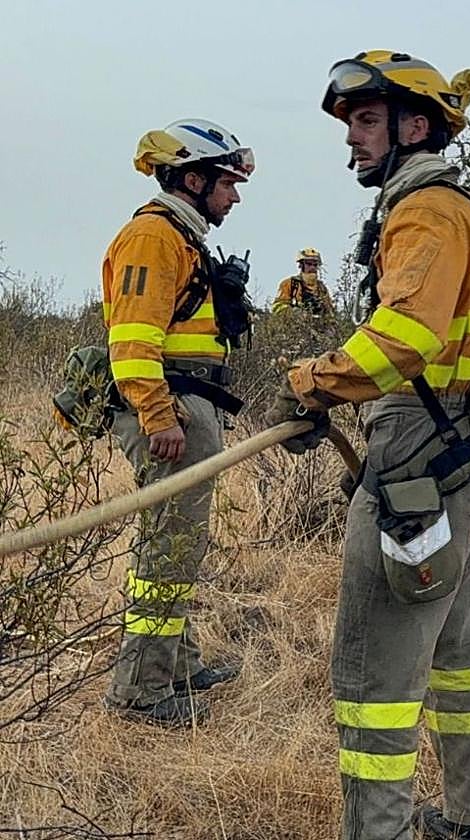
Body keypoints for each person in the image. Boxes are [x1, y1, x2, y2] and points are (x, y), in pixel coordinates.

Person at [265, 50, 470, 839]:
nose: (353, 143)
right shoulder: (463, 215)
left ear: (415, 124)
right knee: (461, 664)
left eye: (366, 122)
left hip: (415, 463)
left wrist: (313, 380)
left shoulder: (426, 213)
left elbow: (403, 338)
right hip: (461, 463)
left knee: (374, 678)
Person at [102, 119, 255, 726]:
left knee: (180, 543)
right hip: (171, 409)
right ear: (192, 179)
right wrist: (159, 415)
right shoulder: (152, 237)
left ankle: (177, 665)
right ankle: (140, 692)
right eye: (227, 183)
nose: (235, 196)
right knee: (168, 547)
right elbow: (133, 338)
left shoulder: (182, 238)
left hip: (189, 404)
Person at [272, 247, 336, 316]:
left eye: (315, 265)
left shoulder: (322, 288)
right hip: (293, 325)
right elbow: (277, 307)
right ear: (301, 265)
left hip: (318, 326)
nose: (312, 267)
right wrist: (295, 312)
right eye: (309, 264)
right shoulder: (290, 284)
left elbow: (330, 312)